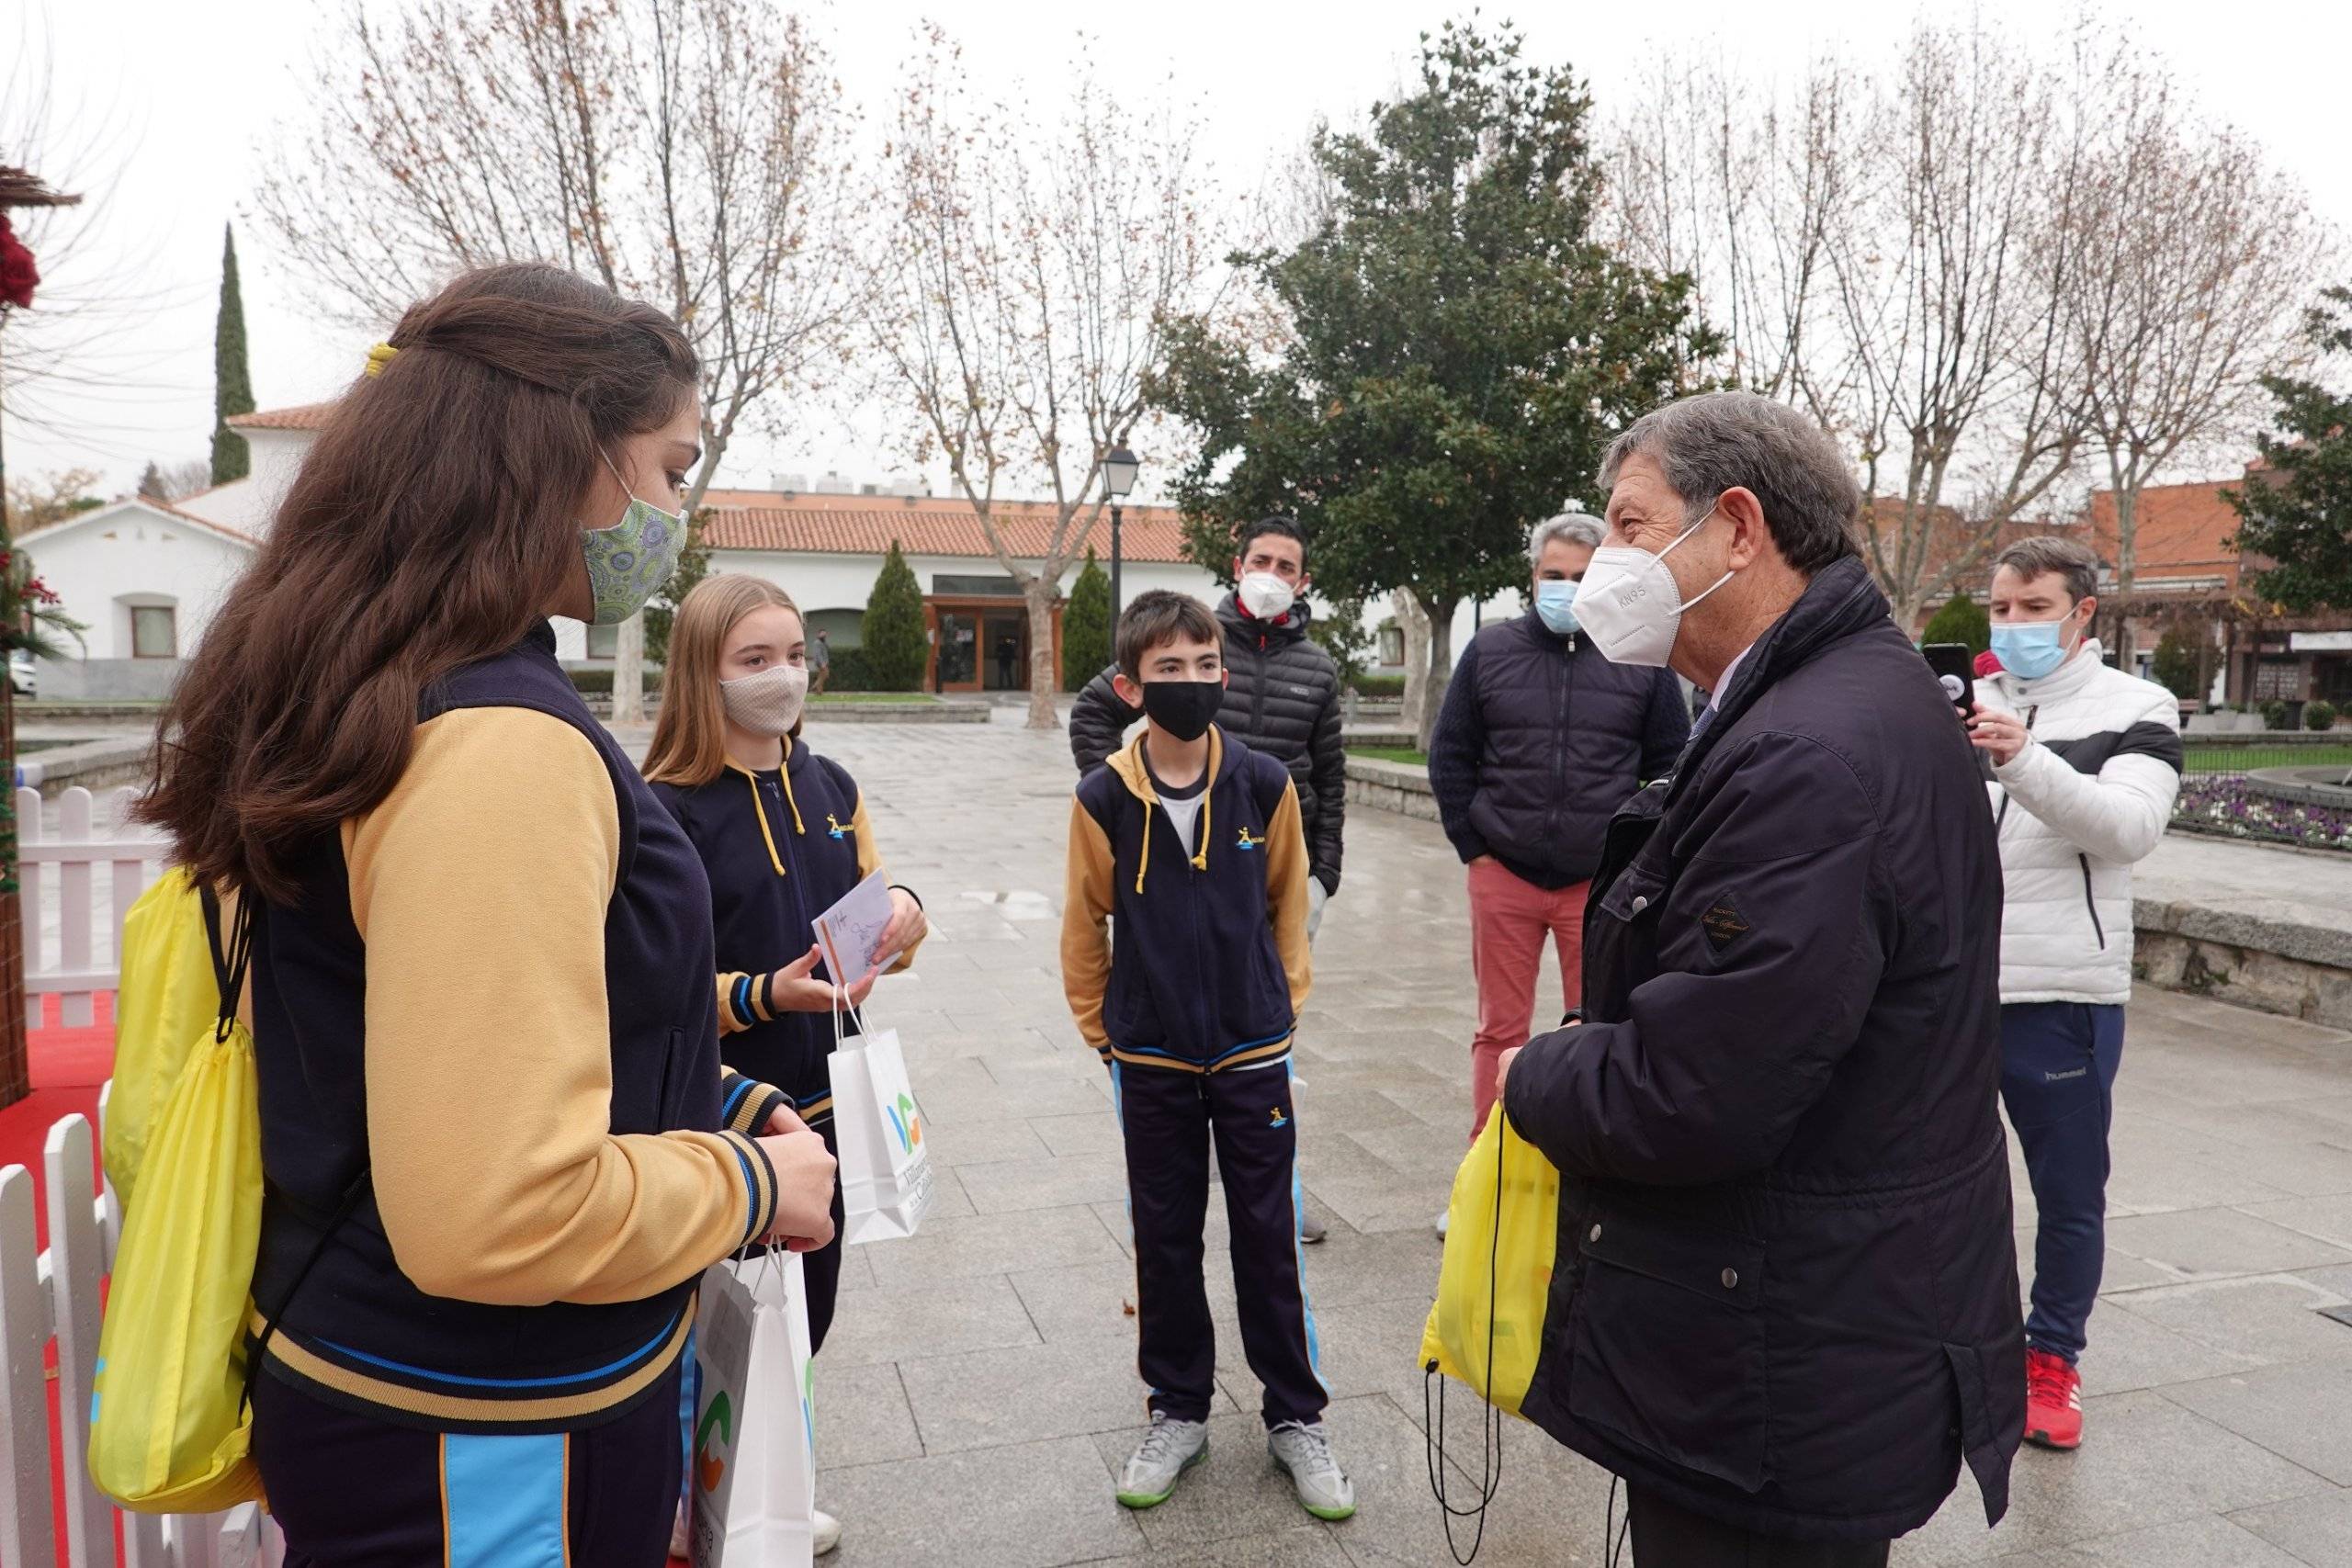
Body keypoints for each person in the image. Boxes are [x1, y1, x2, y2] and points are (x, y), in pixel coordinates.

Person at [134, 263, 838, 1562]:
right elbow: (497, 1209)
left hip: (427, 1393)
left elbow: (438, 1030)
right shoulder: (498, 744)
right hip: (482, 1426)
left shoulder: (408, 682)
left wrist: (721, 1096)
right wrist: (753, 1178)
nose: (677, 511)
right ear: (570, 453)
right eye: (672, 466)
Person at [1493, 390, 2022, 1565]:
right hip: (1821, 1313)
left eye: (1631, 526)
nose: (1605, 562)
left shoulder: (1807, 750)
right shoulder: (1831, 698)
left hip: (1782, 1355)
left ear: (1737, 525)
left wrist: (1540, 1071)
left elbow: (1691, 1093)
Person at [644, 573, 930, 1556]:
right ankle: (692, 1505)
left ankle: (769, 1482)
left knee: (805, 1314)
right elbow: (652, 994)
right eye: (754, 660)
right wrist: (765, 994)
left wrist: (905, 922)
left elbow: (870, 897)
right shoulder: (662, 812)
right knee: (718, 1326)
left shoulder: (832, 785)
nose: (783, 678)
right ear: (702, 674)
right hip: (725, 1121)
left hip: (829, 1112)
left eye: (795, 654)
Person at [1059, 591, 1353, 1521]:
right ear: (1129, 684)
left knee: (1269, 1240)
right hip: (1148, 1059)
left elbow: (1287, 908)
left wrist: (1280, 1015)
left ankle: (1295, 1419)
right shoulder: (1103, 796)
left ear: (1222, 673)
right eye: (1166, 670)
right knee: (1165, 1240)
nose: (1187, 683)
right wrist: (1105, 1035)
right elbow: (1083, 928)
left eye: (1201, 665)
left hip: (1252, 1053)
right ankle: (1175, 1410)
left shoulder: (1265, 784)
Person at [1069, 515, 1346, 1243]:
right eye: (1262, 558)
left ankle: (1275, 1185)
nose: (1273, 572)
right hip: (1171, 853)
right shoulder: (1186, 632)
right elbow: (1095, 709)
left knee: (1262, 1054)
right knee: (1167, 1199)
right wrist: (1126, 798)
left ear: (1302, 579)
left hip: (1269, 845)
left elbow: (1333, 770)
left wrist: (1326, 869)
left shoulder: (1315, 666)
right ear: (1238, 563)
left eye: (1288, 563)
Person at [1970, 536, 2181, 1453]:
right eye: (2001, 608)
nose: (2012, 624)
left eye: (2033, 607)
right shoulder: (1964, 703)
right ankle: (1941, 1338)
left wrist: (2021, 757)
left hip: (2061, 995)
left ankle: (2051, 1358)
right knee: (1926, 1175)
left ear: (2081, 612)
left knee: (2066, 1192)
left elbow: (2128, 828)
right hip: (1949, 990)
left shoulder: (2138, 706)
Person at [1427, 509, 1689, 1236]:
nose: (1567, 587)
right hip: (1504, 872)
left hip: (1600, 885)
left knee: (1597, 1028)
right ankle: (1488, 1174)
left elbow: (1671, 765)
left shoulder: (1642, 660)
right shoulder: (1490, 651)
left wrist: (1636, 861)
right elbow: (1450, 755)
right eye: (1554, 575)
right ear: (1531, 576)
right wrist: (1472, 846)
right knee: (1498, 1030)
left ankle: (1585, 1176)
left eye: (1581, 575)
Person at [808, 624, 832, 694]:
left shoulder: (823, 642)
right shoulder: (817, 643)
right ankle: (814, 686)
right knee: (826, 675)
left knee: (821, 676)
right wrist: (822, 663)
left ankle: (819, 692)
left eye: (825, 634)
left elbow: (827, 649)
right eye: (822, 634)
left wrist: (825, 642)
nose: (824, 635)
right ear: (818, 634)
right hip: (821, 663)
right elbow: (818, 654)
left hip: (824, 662)